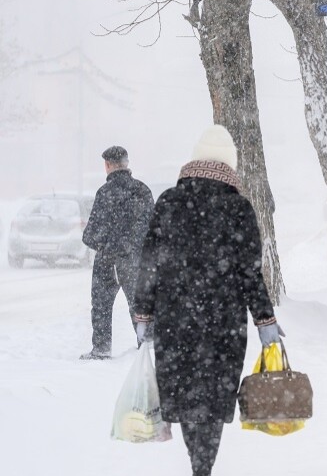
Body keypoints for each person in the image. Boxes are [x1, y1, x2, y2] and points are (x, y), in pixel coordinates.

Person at [132, 125, 283, 476]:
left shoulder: (170, 201)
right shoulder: (238, 208)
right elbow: (249, 271)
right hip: (222, 324)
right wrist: (265, 320)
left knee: (186, 398)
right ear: (228, 164)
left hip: (176, 319)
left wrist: (144, 312)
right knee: (212, 402)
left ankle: (197, 462)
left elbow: (149, 262)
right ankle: (204, 465)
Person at [79, 145, 154, 360]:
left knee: (101, 305)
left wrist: (106, 243)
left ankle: (101, 349)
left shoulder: (104, 193)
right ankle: (147, 346)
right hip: (135, 260)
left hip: (107, 260)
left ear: (108, 165)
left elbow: (90, 235)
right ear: (126, 164)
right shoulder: (142, 190)